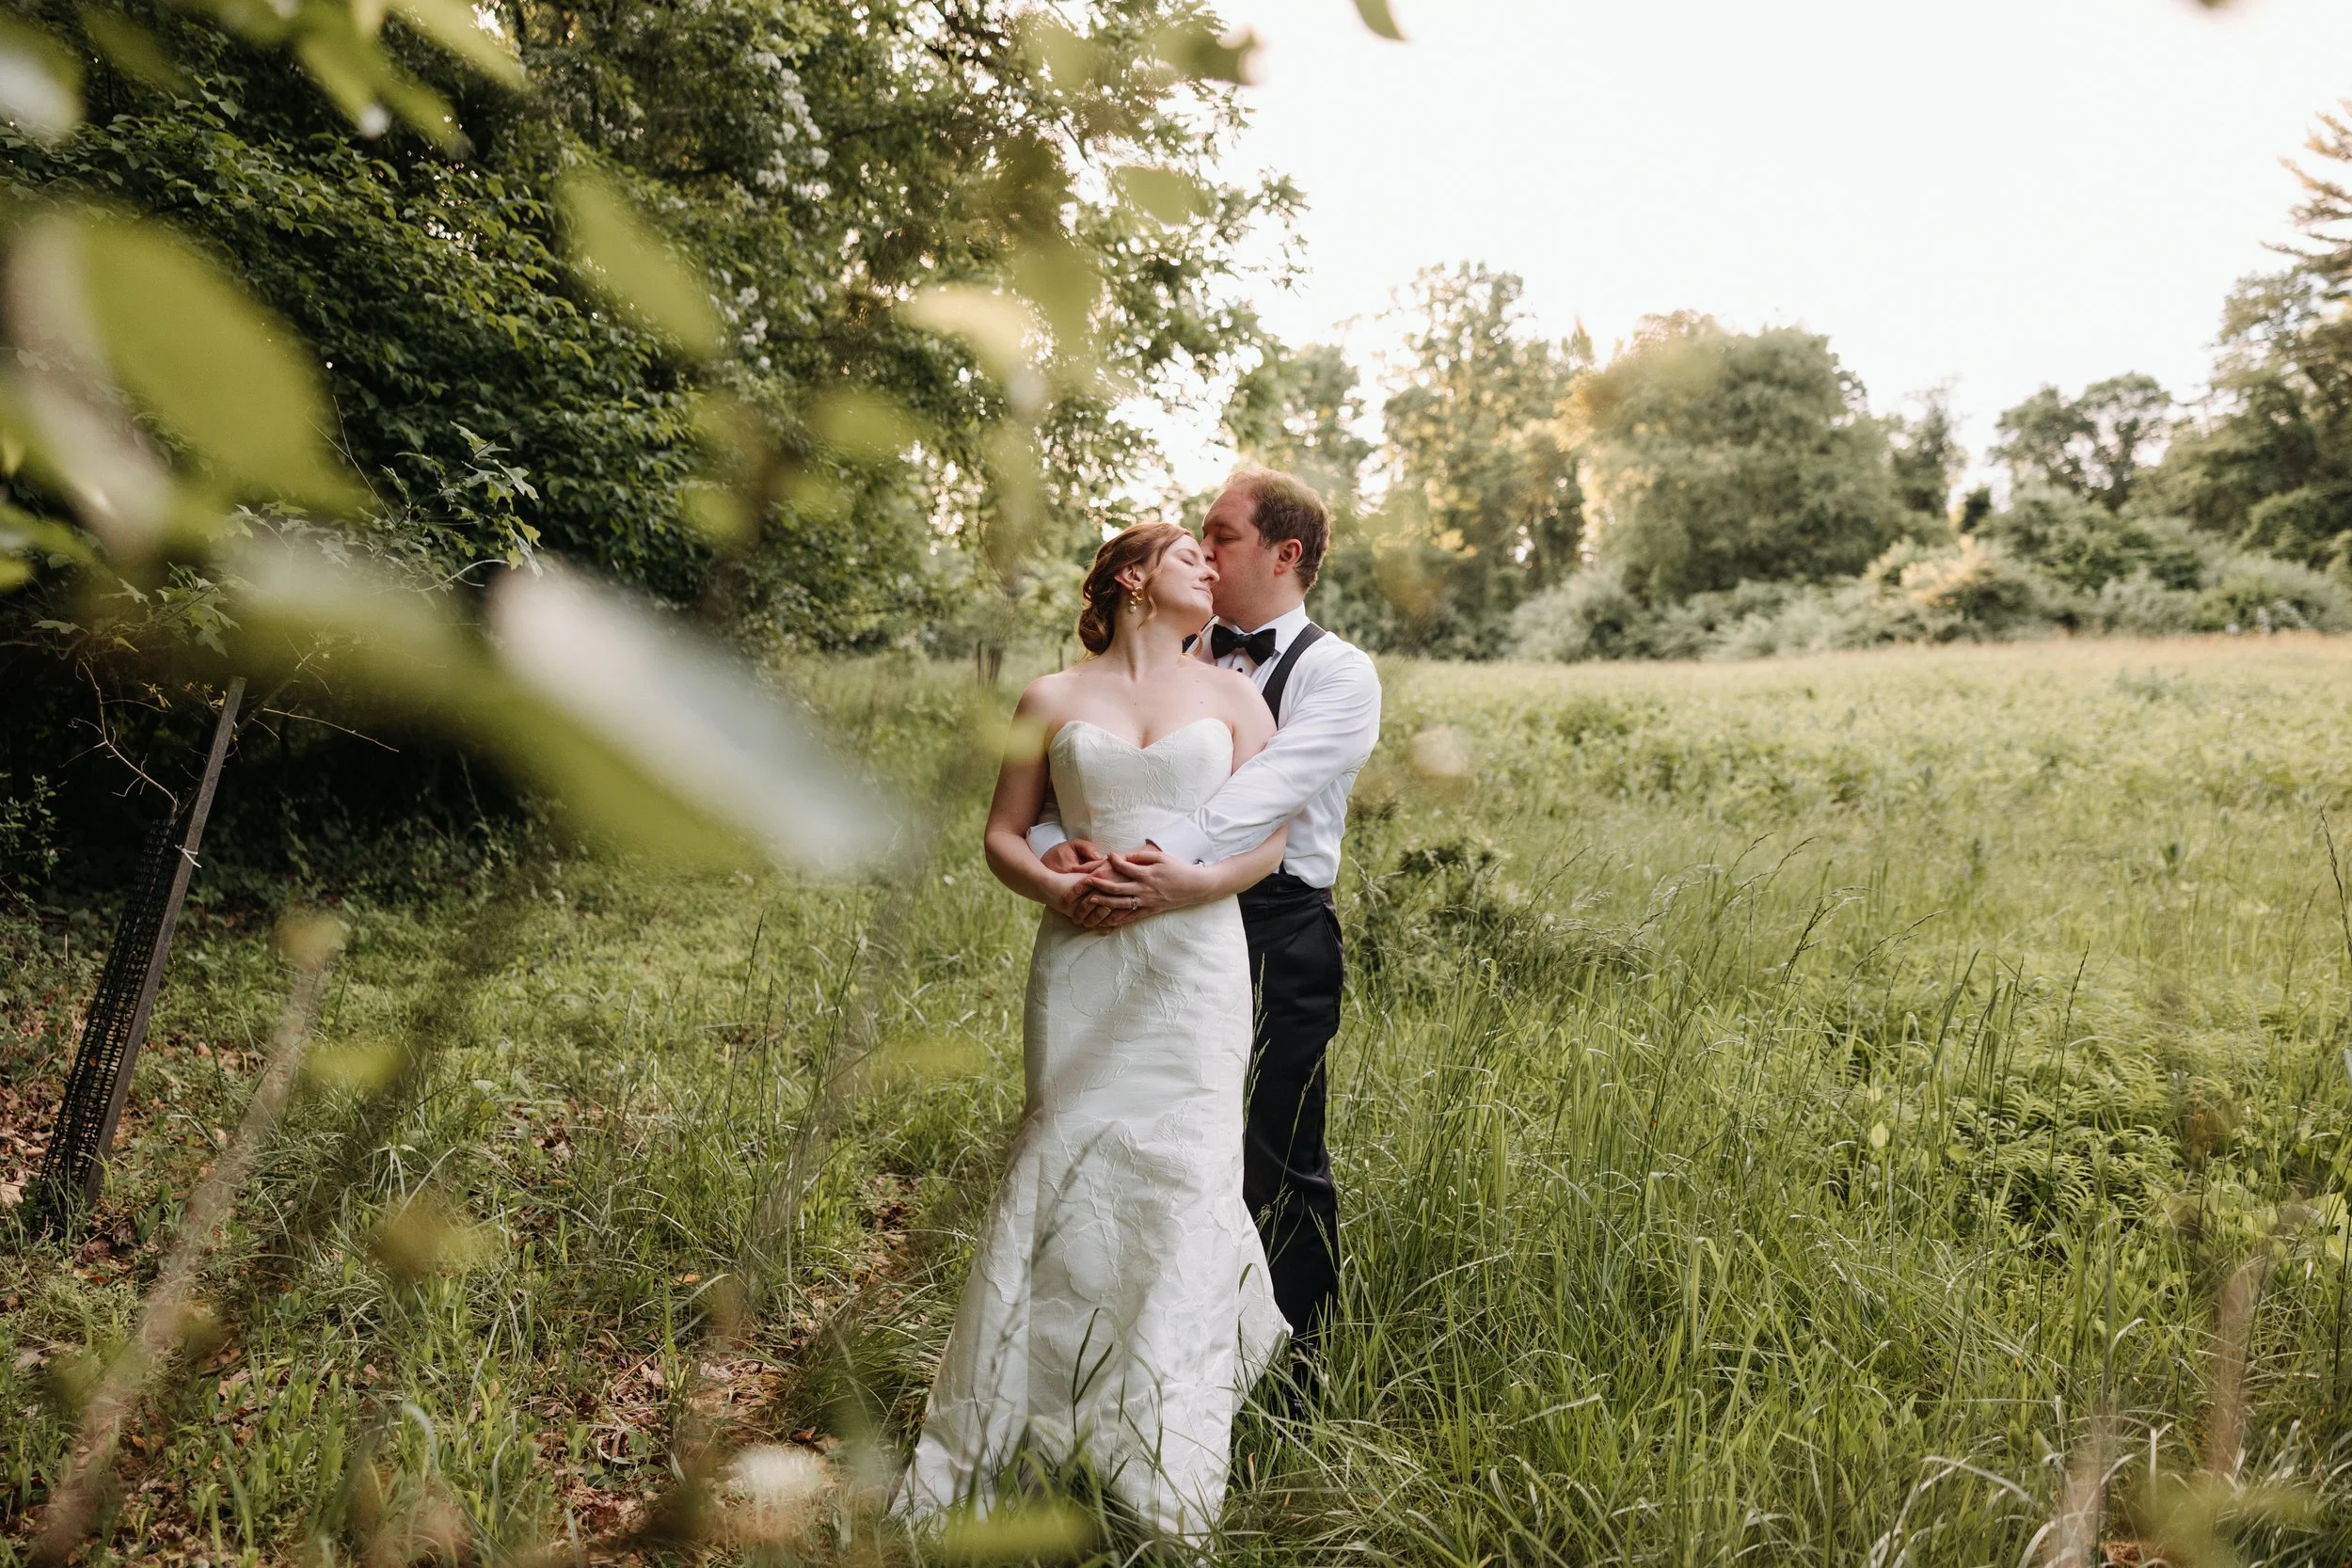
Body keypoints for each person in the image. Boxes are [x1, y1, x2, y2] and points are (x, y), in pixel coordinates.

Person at [898, 523, 1290, 1541]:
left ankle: (1159, 1449)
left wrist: (1192, 882)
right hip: (1081, 961)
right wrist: (1054, 884)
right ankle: (1029, 1423)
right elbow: (999, 833)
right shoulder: (1049, 697)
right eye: (1187, 555)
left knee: (1185, 1169)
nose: (1211, 565)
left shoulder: (1236, 698)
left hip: (1197, 956)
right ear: (1130, 576)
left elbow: (1268, 836)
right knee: (1066, 1161)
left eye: (1216, 555)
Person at [1036, 468, 1383, 1373]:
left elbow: (1251, 801)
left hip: (1274, 925)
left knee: (1275, 1151)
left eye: (1220, 535)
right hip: (1143, 920)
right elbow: (1096, 775)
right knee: (1146, 1142)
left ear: (1285, 553)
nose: (1203, 548)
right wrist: (1063, 846)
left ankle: (1289, 1377)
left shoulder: (1339, 675)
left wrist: (1150, 866)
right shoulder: (1168, 659)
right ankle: (1134, 1360)